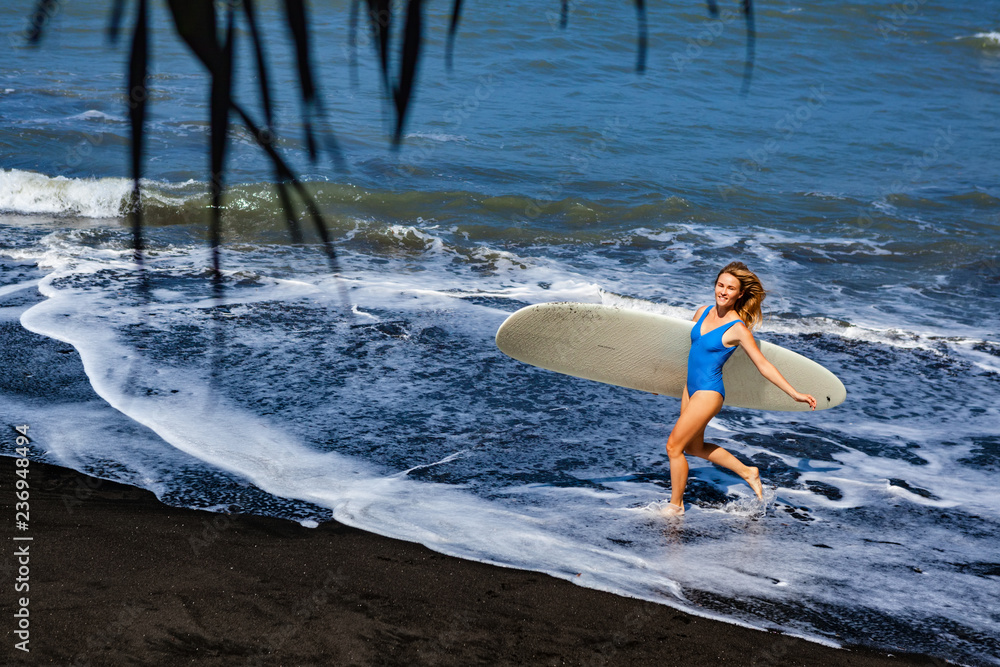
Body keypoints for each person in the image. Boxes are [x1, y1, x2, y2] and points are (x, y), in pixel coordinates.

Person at [661, 261, 816, 517]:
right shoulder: (702, 312)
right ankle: (748, 472)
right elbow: (689, 354)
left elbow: (763, 366)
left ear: (740, 294)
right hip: (690, 389)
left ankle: (675, 506)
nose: (723, 291)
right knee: (693, 448)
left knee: (673, 447)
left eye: (730, 288)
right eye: (720, 285)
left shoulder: (738, 329)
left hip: (709, 392)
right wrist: (654, 380)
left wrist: (794, 393)